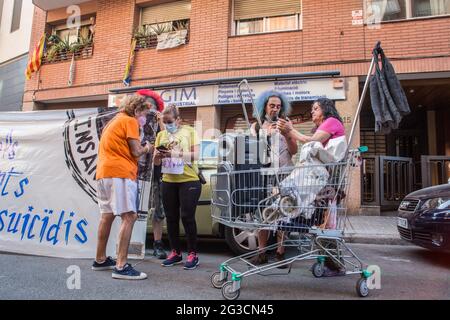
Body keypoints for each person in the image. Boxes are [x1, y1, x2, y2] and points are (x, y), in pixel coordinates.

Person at [277, 97, 346, 276]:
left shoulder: (332, 122)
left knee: (325, 226)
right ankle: (329, 262)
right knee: (320, 226)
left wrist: (291, 130)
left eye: (315, 108)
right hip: (319, 184)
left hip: (326, 184)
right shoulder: (321, 126)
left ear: (325, 109)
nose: (312, 111)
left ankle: (335, 265)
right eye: (312, 108)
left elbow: (311, 142)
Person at [92, 94, 152, 280]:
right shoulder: (129, 121)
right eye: (144, 113)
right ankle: (121, 266)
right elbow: (136, 151)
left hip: (104, 172)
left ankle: (100, 259)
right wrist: (147, 147)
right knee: (129, 216)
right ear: (136, 110)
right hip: (120, 173)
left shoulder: (114, 121)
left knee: (107, 215)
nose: (144, 117)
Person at [250, 90, 298, 268]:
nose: (275, 109)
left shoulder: (286, 124)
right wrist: (266, 138)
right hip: (265, 176)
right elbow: (253, 154)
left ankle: (280, 252)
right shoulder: (256, 127)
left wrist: (286, 134)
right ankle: (261, 253)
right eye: (272, 106)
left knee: (283, 214)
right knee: (264, 214)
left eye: (278, 106)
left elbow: (294, 151)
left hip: (285, 174)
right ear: (265, 107)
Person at [153, 105, 202, 270]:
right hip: (168, 180)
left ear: (178, 120)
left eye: (170, 121)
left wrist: (176, 154)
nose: (167, 125)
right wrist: (158, 156)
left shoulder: (189, 131)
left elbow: (196, 156)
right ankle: (175, 253)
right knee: (171, 217)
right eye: (164, 122)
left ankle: (193, 253)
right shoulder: (161, 135)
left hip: (189, 179)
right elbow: (156, 162)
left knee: (187, 216)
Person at [136, 89, 167, 260]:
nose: (150, 111)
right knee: (134, 208)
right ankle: (133, 241)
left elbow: (168, 142)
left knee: (158, 208)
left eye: (153, 108)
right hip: (137, 171)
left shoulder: (160, 125)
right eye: (147, 107)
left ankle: (157, 244)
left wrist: (161, 122)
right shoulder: (134, 123)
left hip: (156, 171)